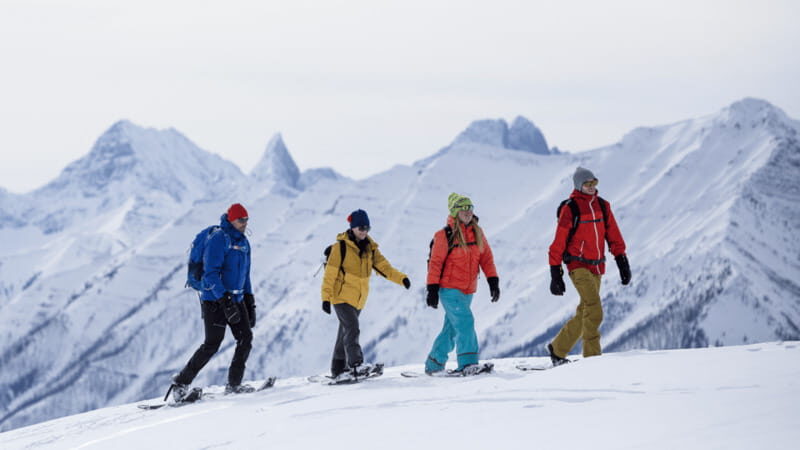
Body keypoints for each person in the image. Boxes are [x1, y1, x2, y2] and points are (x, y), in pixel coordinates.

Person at [169, 203, 257, 400]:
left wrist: (250, 302)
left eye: (246, 220)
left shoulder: (244, 243)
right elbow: (210, 274)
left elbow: (246, 274)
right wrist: (225, 301)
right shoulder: (219, 239)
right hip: (214, 300)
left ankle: (234, 384)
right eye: (241, 220)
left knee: (245, 339)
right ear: (231, 220)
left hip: (238, 298)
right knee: (212, 344)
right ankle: (181, 383)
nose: (244, 223)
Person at [547, 167, 631, 365]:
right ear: (579, 185)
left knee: (584, 310)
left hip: (597, 265)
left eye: (594, 183)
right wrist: (555, 273)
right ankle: (593, 360)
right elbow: (559, 241)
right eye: (587, 184)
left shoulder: (603, 206)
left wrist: (622, 261)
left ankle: (558, 349)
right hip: (577, 264)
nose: (592, 187)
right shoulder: (571, 208)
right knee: (594, 309)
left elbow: (613, 235)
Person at [320, 209, 410, 381]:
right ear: (352, 228)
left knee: (344, 332)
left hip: (358, 299)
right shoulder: (341, 247)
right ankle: (355, 365)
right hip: (341, 297)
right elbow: (330, 274)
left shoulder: (370, 248)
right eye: (361, 228)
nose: (364, 231)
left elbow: (384, 268)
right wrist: (325, 298)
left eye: (367, 228)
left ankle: (337, 369)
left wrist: (401, 279)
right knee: (352, 328)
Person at [424, 193, 500, 375]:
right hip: (449, 289)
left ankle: (434, 364)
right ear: (454, 211)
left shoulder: (477, 232)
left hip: (468, 290)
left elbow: (486, 258)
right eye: (462, 208)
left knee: (451, 329)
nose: (467, 212)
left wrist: (493, 281)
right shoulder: (444, 235)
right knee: (466, 322)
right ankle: (468, 363)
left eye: (470, 208)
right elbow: (435, 263)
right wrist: (432, 289)